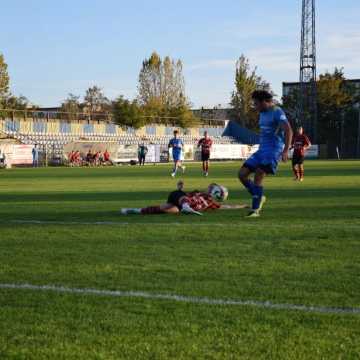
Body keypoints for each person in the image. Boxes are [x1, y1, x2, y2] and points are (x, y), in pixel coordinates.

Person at [238, 90, 293, 218]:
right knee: (242, 174)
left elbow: (288, 130)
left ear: (264, 102)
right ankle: (259, 196)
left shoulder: (277, 112)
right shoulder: (262, 113)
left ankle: (255, 209)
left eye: (256, 104)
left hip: (273, 150)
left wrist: (285, 150)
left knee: (259, 174)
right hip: (262, 150)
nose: (255, 107)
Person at [121, 181, 246, 216]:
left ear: (215, 192)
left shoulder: (212, 204)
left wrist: (244, 205)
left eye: (212, 187)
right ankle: (186, 208)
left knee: (166, 210)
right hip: (177, 196)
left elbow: (229, 206)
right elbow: (181, 194)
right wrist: (180, 187)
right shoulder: (197, 193)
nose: (210, 187)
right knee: (184, 199)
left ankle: (134, 210)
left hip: (179, 206)